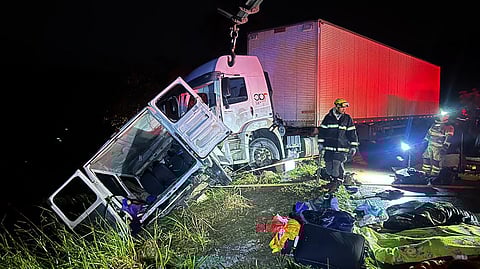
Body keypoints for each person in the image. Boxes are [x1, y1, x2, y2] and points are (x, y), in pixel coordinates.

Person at [318, 98, 359, 187]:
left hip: (341, 147)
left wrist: (353, 146)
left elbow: (352, 133)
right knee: (329, 167)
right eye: (342, 107)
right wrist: (320, 143)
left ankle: (337, 183)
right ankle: (333, 181)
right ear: (336, 107)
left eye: (345, 108)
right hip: (329, 148)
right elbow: (322, 131)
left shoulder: (347, 118)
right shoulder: (328, 118)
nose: (344, 109)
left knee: (336, 165)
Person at [421, 110, 455, 183]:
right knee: (426, 158)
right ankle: (425, 174)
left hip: (438, 148)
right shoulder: (434, 125)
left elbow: (448, 139)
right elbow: (428, 134)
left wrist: (444, 148)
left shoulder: (449, 127)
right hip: (430, 146)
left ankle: (434, 176)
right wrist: (424, 142)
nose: (439, 115)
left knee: (436, 162)